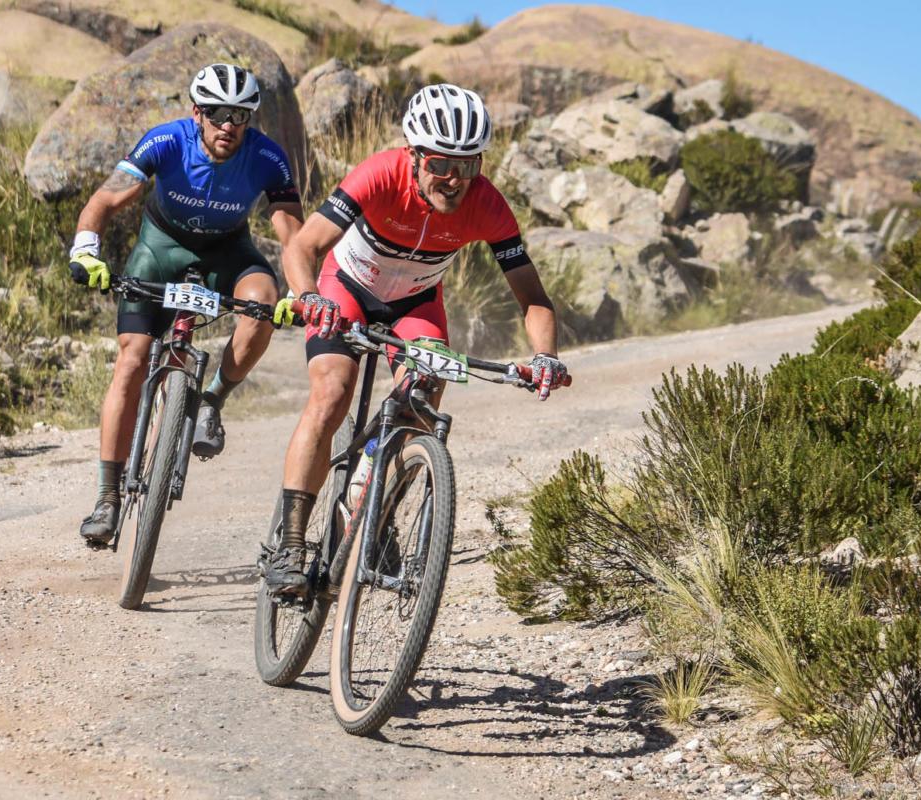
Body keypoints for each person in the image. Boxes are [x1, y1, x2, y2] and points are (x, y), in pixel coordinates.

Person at [264, 83, 569, 592]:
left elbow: (532, 296)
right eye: (439, 164)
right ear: (413, 154)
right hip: (346, 288)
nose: (453, 179)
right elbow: (303, 246)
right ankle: (291, 545)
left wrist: (546, 355)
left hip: (415, 303)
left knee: (422, 400)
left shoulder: (488, 204)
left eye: (467, 166)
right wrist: (308, 296)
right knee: (333, 390)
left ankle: (374, 510)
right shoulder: (379, 174)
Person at [69, 63, 304, 544]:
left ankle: (212, 400)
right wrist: (85, 250)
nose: (228, 125)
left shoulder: (267, 157)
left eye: (240, 115)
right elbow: (104, 201)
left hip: (227, 252)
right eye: (217, 113)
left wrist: (303, 292)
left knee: (263, 303)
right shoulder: (166, 141)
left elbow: (292, 233)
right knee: (132, 360)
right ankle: (108, 497)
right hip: (160, 248)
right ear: (197, 112)